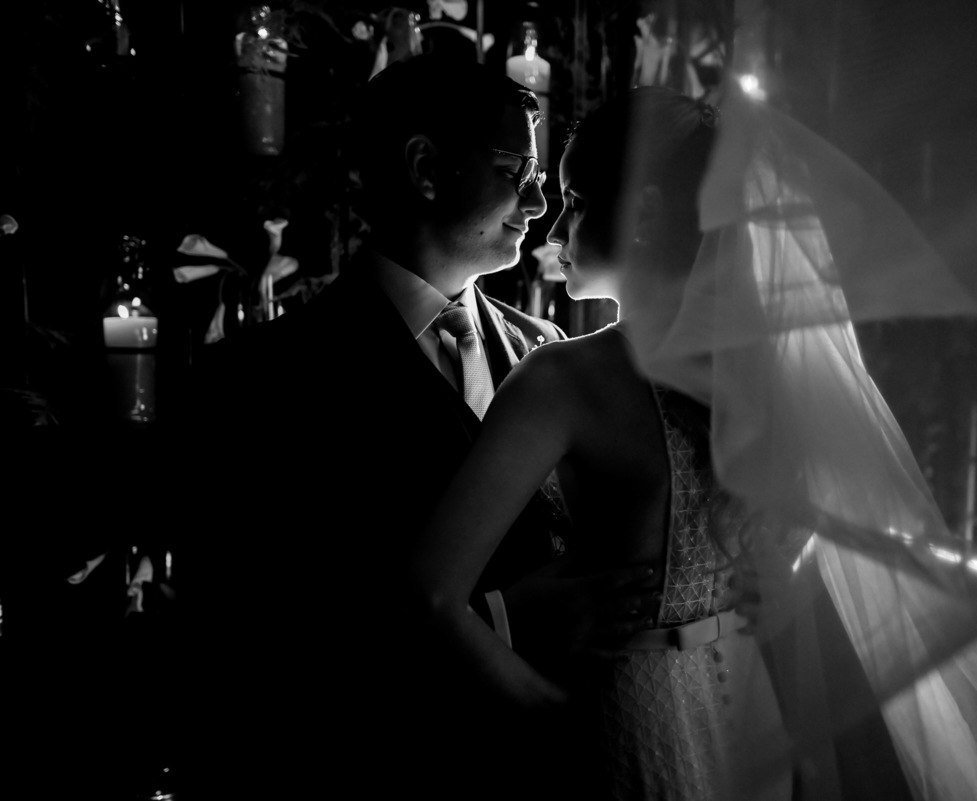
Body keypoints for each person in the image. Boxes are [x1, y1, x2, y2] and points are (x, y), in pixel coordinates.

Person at [409, 85, 977, 801]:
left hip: (624, 721)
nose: (553, 231)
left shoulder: (564, 379)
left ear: (644, 215)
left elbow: (429, 592)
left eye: (575, 200)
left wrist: (539, 711)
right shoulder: (772, 377)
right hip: (753, 720)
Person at [180, 55, 657, 799]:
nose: (539, 205)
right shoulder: (257, 380)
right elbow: (254, 640)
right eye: (517, 172)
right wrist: (503, 620)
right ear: (427, 168)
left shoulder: (546, 351)